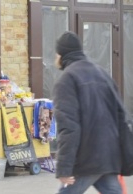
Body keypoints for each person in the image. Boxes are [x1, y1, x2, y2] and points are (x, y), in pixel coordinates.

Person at [52, 31, 127, 194]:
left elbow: (69, 127)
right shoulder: (102, 73)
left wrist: (64, 168)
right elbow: (121, 116)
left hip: (87, 159)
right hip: (109, 155)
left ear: (61, 55)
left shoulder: (67, 80)